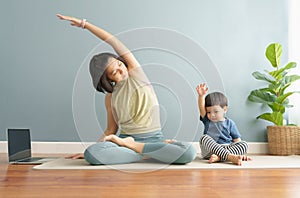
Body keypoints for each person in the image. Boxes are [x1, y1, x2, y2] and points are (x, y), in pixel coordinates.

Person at [57, 14, 196, 165]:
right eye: (114, 72)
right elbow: (111, 130)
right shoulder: (110, 97)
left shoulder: (137, 74)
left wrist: (85, 24)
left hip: (152, 140)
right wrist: (96, 148)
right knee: (92, 154)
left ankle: (137, 149)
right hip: (123, 141)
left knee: (189, 152)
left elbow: (114, 41)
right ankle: (148, 153)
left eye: (119, 64)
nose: (121, 70)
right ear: (108, 79)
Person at [196, 83, 251, 166]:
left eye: (216, 111)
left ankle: (220, 157)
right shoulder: (207, 121)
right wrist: (201, 96)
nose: (212, 115)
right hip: (210, 151)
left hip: (227, 148)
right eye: (209, 112)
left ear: (225, 109)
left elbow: (237, 140)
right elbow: (201, 107)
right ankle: (228, 156)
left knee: (244, 144)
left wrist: (241, 154)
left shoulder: (230, 123)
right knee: (204, 138)